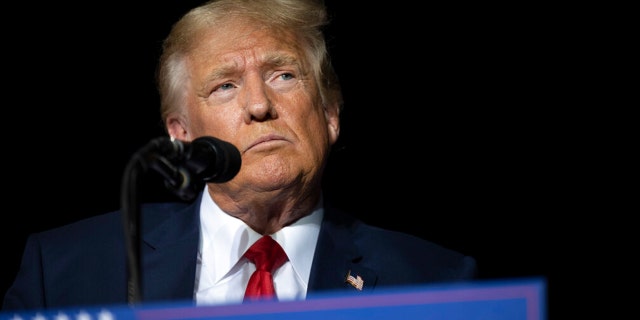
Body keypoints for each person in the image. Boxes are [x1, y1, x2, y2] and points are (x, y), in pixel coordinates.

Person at [2, 0, 477, 312]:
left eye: (284, 75)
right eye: (225, 85)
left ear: (330, 114)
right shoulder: (65, 269)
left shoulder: (438, 284)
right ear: (182, 136)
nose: (258, 105)